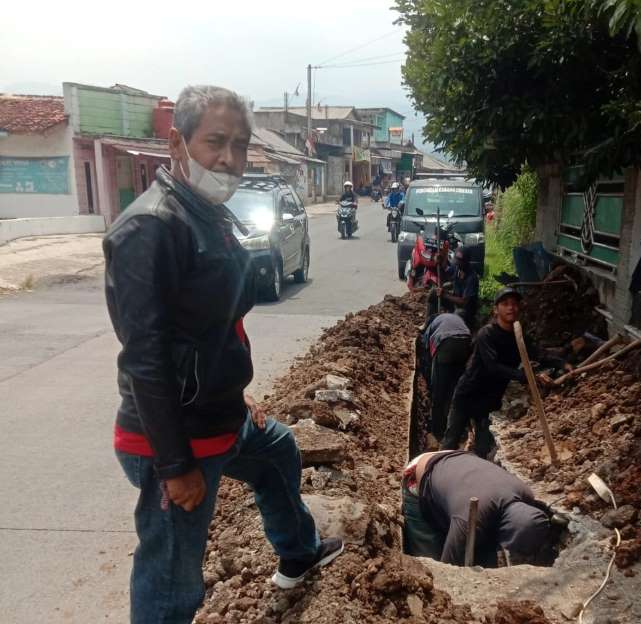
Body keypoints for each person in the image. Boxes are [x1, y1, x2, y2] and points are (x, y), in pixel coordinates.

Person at [104, 85, 343, 624]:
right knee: (170, 580)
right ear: (177, 143)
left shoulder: (207, 213)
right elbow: (146, 356)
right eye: (216, 142)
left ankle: (298, 553)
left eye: (239, 145)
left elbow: (211, 328)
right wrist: (175, 466)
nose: (230, 159)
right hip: (175, 437)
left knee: (277, 450)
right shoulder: (151, 227)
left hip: (220, 417)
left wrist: (235, 391)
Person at [441, 287, 555, 458]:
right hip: (468, 395)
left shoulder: (519, 336)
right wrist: (529, 377)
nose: (511, 308)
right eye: (505, 304)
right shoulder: (486, 334)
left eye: (515, 304)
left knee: (482, 451)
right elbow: (492, 367)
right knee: (450, 443)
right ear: (496, 309)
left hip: (489, 402)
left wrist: (563, 362)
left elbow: (539, 354)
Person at [402, 450, 566, 567]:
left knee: (477, 544)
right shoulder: (468, 519)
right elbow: (448, 569)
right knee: (430, 560)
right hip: (420, 473)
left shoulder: (526, 494)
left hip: (460, 462)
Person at [421, 313, 472, 443]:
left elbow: (426, 348)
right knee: (455, 388)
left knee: (439, 391)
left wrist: (428, 380)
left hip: (446, 344)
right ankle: (458, 430)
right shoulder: (454, 318)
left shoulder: (431, 326)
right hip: (466, 341)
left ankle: (438, 432)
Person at [437, 247, 480, 330]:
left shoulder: (472, 278)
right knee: (433, 294)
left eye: (460, 260)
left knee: (458, 313)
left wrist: (445, 295)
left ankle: (452, 335)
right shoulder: (457, 268)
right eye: (456, 259)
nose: (457, 262)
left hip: (466, 312)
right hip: (454, 305)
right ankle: (429, 325)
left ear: (467, 261)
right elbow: (446, 273)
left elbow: (464, 302)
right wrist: (441, 262)